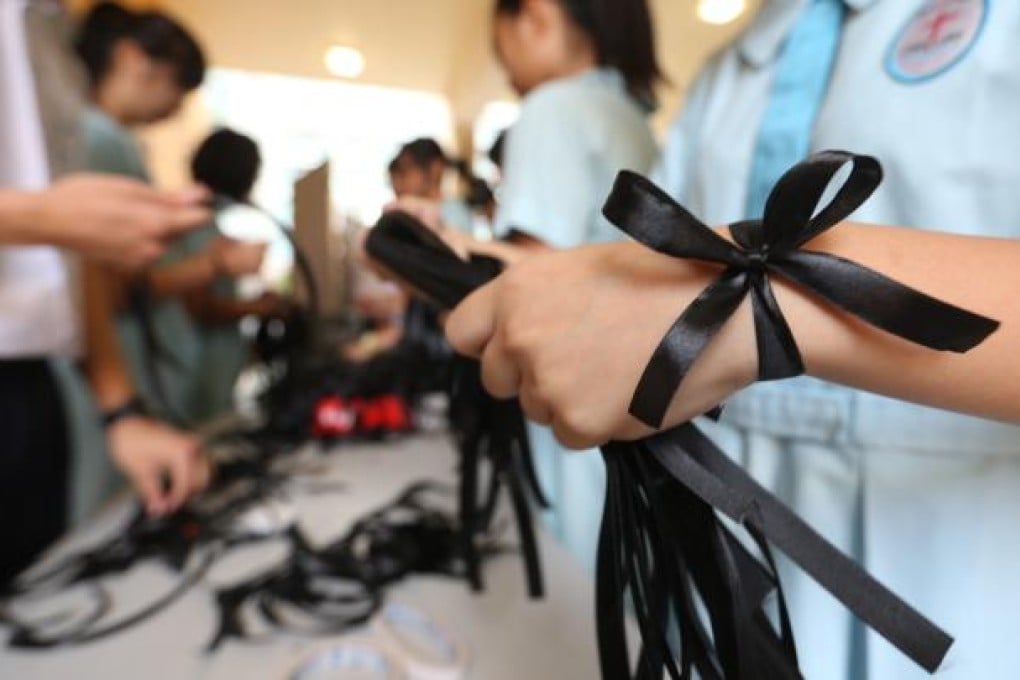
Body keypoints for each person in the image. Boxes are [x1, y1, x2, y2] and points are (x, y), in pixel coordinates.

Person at [452, 1, 1020, 677]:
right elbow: (641, 283)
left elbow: (682, 291)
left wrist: (755, 305)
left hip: (954, 561)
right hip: (718, 550)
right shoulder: (726, 73)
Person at [0, 0, 209, 584]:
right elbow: (58, 226)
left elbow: (73, 255)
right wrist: (37, 218)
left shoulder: (51, 39)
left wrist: (121, 412)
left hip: (30, 388)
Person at [182, 128, 287, 420]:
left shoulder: (206, 225)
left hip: (214, 366)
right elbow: (199, 306)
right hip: (202, 369)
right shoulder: (195, 227)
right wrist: (259, 308)